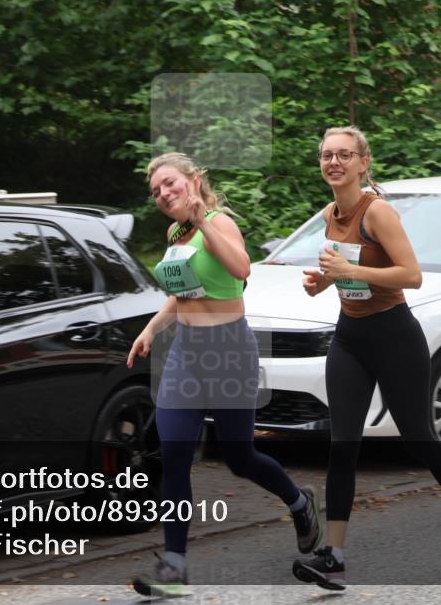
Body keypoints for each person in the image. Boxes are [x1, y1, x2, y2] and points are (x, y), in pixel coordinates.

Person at [291, 126, 441, 591]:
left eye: (343, 155)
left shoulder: (377, 212)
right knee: (343, 444)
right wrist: (324, 281)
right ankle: (334, 557)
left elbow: (412, 275)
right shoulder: (329, 213)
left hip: (395, 336)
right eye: (326, 155)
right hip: (349, 338)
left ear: (362, 162)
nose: (333, 162)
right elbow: (342, 269)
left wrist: (347, 271)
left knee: (418, 438)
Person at [127, 152, 323, 597]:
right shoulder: (175, 233)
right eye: (156, 191)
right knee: (173, 452)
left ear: (194, 180)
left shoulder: (220, 223)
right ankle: (174, 566)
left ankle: (299, 502)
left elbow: (240, 269)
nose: (164, 195)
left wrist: (205, 221)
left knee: (240, 457)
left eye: (170, 184)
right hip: (186, 354)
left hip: (229, 351)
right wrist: (151, 329)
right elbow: (183, 294)